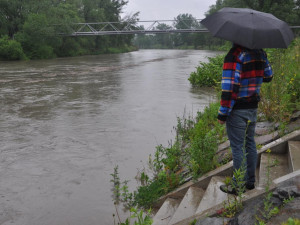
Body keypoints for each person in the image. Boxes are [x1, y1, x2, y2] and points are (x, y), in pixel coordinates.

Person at [218, 43, 273, 195]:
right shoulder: (260, 51)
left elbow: (230, 88)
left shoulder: (235, 55)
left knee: (237, 147)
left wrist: (222, 114)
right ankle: (250, 181)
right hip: (253, 107)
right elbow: (269, 76)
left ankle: (237, 185)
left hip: (237, 110)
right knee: (249, 142)